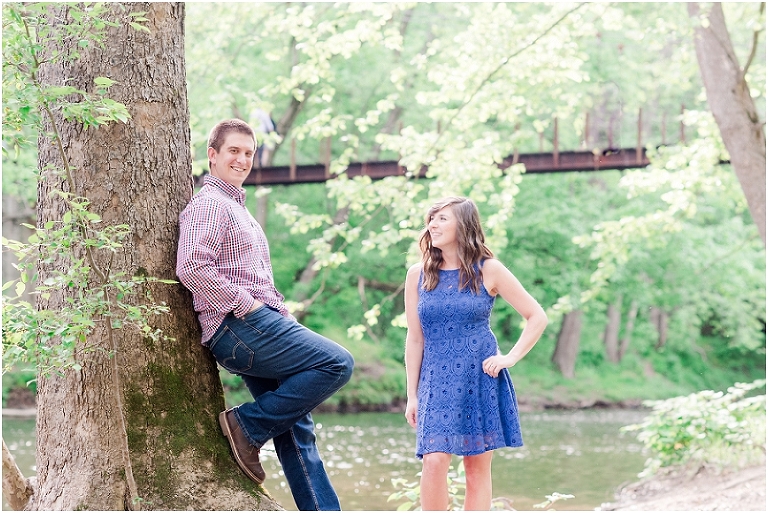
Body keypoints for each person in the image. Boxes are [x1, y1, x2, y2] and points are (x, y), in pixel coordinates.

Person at [176, 119, 354, 511]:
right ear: (213, 155)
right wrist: (247, 305)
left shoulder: (239, 211)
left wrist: (280, 316)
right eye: (233, 151)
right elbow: (191, 266)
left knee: (296, 430)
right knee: (338, 363)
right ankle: (247, 425)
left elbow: (258, 280)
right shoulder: (210, 205)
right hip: (239, 327)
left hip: (260, 326)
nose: (241, 160)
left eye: (248, 153)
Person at [403, 196, 548, 511]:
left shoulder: (489, 269)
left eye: (443, 218)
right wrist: (412, 395)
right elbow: (415, 339)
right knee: (434, 461)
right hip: (435, 380)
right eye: (432, 218)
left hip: (479, 377)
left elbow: (537, 316)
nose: (433, 224)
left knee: (476, 469)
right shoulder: (418, 273)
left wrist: (509, 357)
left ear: (463, 225)